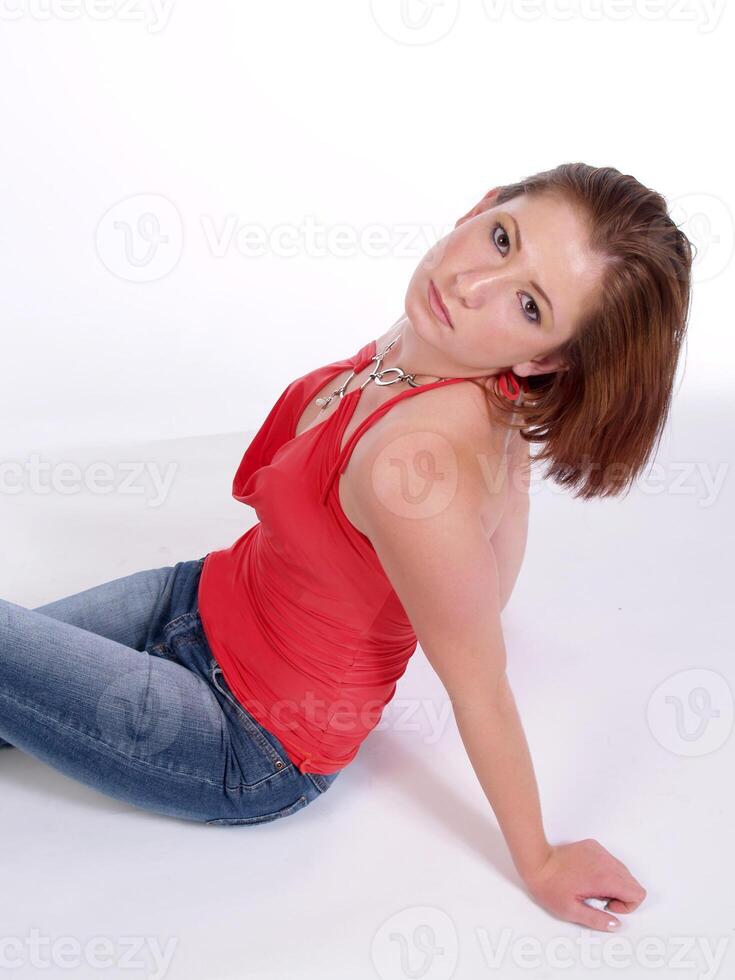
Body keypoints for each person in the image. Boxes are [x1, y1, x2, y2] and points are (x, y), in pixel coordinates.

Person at [0, 162, 692, 932]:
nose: (472, 286)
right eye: (502, 239)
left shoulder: (415, 467)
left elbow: (479, 682)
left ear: (543, 359)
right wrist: (500, 485)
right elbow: (485, 584)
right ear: (482, 204)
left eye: (528, 305)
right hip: (194, 600)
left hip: (242, 737)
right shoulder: (425, 341)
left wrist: (539, 859)